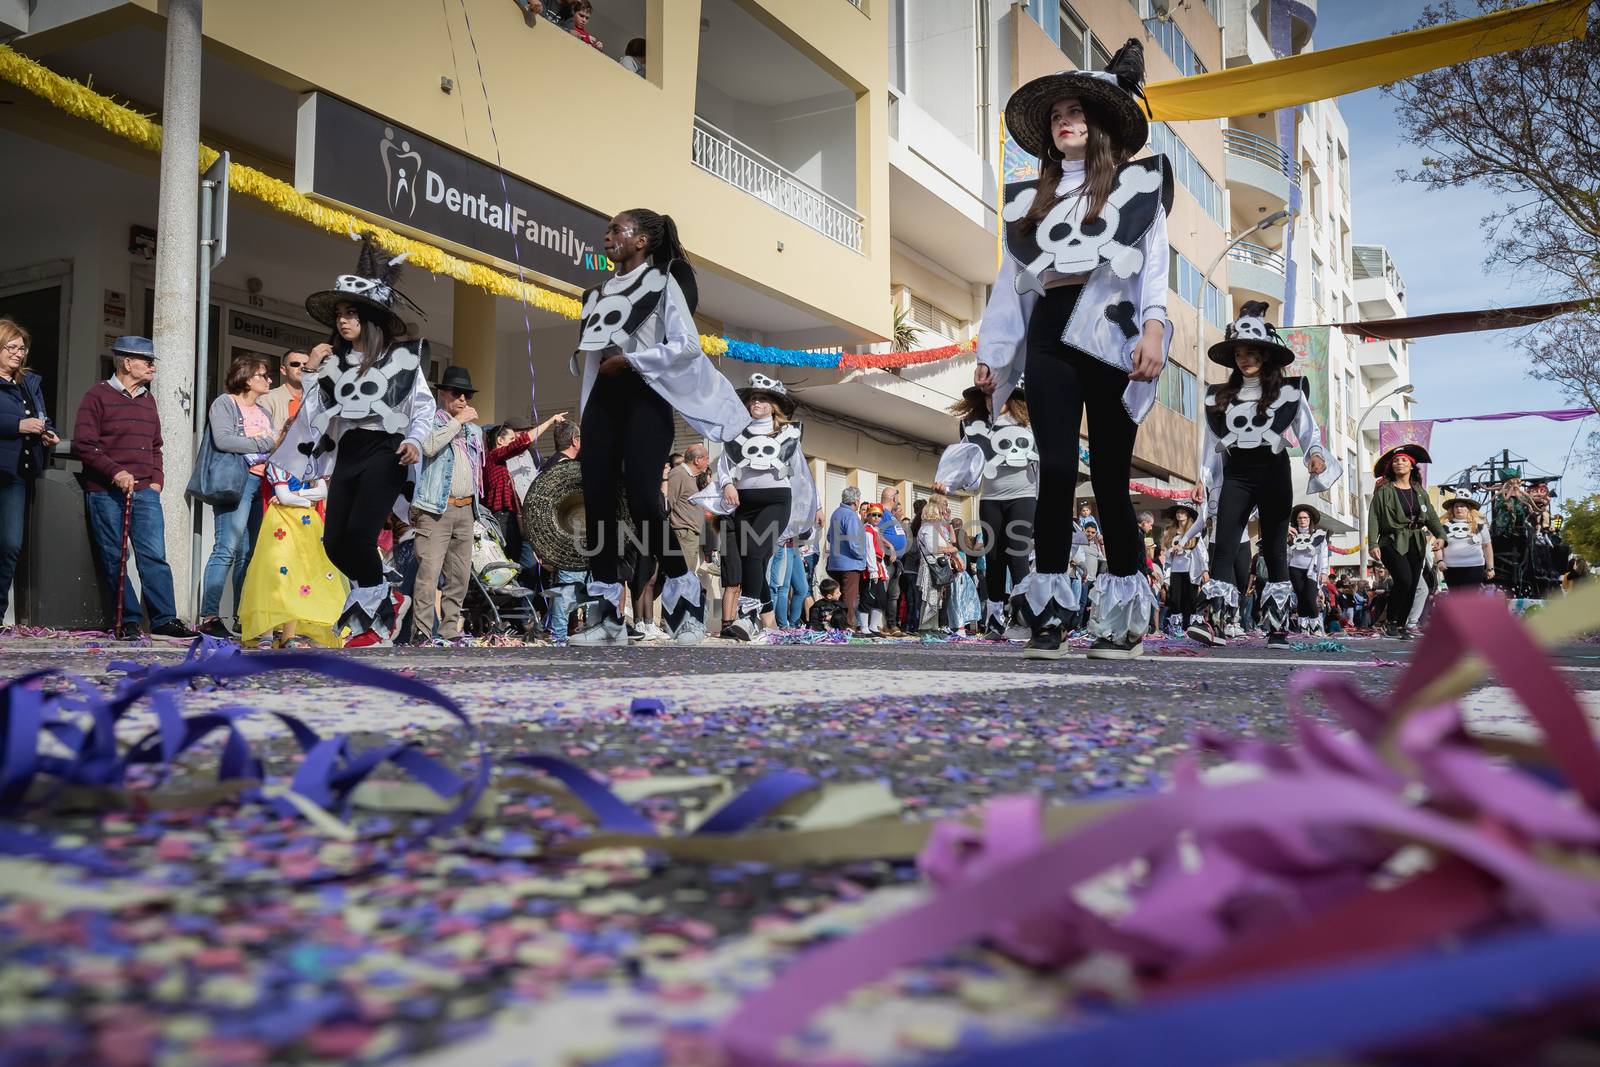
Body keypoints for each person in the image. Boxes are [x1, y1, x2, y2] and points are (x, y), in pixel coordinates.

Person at [977, 40, 1172, 661]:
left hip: (1112, 330)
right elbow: (1010, 289)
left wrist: (1155, 328)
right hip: (1050, 334)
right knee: (1057, 470)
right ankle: (1051, 617)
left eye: (1080, 112)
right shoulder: (1024, 204)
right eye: (1060, 113)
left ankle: (1123, 622)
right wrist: (996, 353)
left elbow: (1154, 270)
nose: (1067, 120)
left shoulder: (1139, 187)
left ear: (1103, 125)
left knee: (1111, 479)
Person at [568, 209, 748, 645]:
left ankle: (684, 594)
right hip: (602, 403)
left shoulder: (663, 284)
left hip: (645, 394)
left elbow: (686, 346)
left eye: (617, 230)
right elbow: (591, 360)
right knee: (598, 497)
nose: (607, 235)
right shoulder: (595, 294)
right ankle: (608, 608)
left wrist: (632, 359)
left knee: (644, 494)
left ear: (643, 241)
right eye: (608, 229)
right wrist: (588, 403)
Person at [281, 234, 435, 647]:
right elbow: (313, 417)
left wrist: (415, 443)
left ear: (369, 319)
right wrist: (312, 370)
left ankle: (371, 622)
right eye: (340, 314)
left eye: (352, 313)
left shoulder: (403, 362)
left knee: (362, 536)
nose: (343, 320)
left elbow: (423, 409)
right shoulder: (331, 363)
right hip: (349, 452)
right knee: (334, 541)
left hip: (386, 451)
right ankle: (385, 595)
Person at [1190, 303, 1339, 649]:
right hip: (1236, 474)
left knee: (1274, 549)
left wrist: (1315, 455)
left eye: (1252, 352)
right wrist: (1202, 478)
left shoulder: (1288, 393)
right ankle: (1212, 623)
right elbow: (1210, 444)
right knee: (1224, 543)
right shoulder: (1219, 397)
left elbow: (1308, 433)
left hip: (1273, 472)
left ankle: (1277, 629)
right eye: (1239, 353)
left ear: (1266, 356)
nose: (1245, 359)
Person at [72, 336, 195, 638]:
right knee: (115, 557)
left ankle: (164, 620)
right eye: (147, 361)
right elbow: (84, 446)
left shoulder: (147, 399)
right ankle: (127, 620)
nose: (153, 367)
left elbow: (156, 446)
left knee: (155, 556)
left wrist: (156, 481)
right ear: (127, 363)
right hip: (106, 492)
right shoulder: (96, 396)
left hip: (144, 491)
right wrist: (115, 472)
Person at [696, 374, 816, 641]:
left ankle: (747, 618)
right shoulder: (737, 432)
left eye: (762, 398)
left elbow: (800, 476)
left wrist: (809, 510)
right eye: (753, 398)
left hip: (776, 501)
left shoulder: (788, 433)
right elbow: (724, 465)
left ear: (773, 404)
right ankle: (769, 621)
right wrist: (727, 484)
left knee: (753, 553)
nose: (756, 402)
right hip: (744, 503)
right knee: (755, 562)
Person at [934, 385, 1037, 641]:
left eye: (998, 395)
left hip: (1023, 496)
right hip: (991, 498)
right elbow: (966, 464)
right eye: (988, 396)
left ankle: (1022, 617)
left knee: (1018, 555)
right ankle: (994, 618)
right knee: (993, 558)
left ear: (1012, 398)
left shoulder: (1028, 424)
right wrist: (946, 484)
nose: (992, 401)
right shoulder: (973, 426)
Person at [195, 355, 280, 639]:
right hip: (236, 483)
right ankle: (209, 616)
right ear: (247, 378)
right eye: (263, 375)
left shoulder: (264, 412)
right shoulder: (225, 403)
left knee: (249, 554)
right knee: (227, 548)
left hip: (261, 484)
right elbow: (224, 439)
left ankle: (243, 617)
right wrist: (265, 442)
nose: (268, 380)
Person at [409, 366, 484, 644]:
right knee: (428, 575)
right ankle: (422, 633)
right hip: (436, 510)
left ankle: (450, 630)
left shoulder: (473, 431)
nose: (463, 399)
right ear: (442, 395)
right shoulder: (430, 421)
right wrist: (457, 422)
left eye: (467, 394)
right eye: (456, 393)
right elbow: (427, 447)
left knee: (460, 576)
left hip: (466, 509)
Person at [237, 463, 346, 648]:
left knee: (299, 576)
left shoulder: (313, 462)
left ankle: (289, 635)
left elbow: (322, 493)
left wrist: (295, 496)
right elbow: (283, 495)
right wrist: (303, 500)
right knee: (276, 574)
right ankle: (267, 633)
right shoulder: (279, 463)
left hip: (306, 525)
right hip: (282, 523)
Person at [0, 319, 58, 623]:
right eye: (11, 346)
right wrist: (17, 426)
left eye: (22, 348)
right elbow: (17, 423)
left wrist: (47, 432)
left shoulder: (27, 385)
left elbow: (42, 418)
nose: (18, 353)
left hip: (17, 476)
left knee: (10, 545)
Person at [1367, 443, 1445, 639]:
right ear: (1391, 467)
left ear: (1412, 465)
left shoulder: (1419, 491)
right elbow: (1374, 516)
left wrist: (1442, 536)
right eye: (1395, 461)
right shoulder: (1384, 490)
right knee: (1404, 579)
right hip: (1392, 540)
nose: (1399, 463)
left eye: (1403, 460)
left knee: (1412, 585)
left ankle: (1401, 625)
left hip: (1416, 540)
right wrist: (1373, 544)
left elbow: (1432, 517)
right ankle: (1390, 620)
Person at [483, 411, 567, 579]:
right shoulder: (493, 457)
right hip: (502, 518)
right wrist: (550, 420)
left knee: (519, 566)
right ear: (500, 441)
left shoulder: (513, 460)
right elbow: (523, 442)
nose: (516, 444)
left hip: (513, 518)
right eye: (512, 439)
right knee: (507, 566)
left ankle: (519, 602)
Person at [916, 493, 963, 634]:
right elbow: (933, 548)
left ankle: (933, 626)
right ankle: (926, 627)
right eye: (940, 512)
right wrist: (952, 549)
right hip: (932, 566)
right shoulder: (928, 528)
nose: (943, 514)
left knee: (936, 597)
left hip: (935, 565)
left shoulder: (930, 528)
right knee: (930, 596)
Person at [825, 487, 869, 629]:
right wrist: (862, 555)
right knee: (849, 598)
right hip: (850, 564)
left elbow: (829, 537)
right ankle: (848, 625)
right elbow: (854, 542)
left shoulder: (836, 513)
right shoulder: (850, 516)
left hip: (835, 563)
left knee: (838, 597)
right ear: (856, 501)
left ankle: (837, 624)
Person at [1160, 501, 1205, 637]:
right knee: (1175, 600)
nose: (1179, 514)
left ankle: (1190, 627)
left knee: (1191, 599)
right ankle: (1176, 627)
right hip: (1175, 571)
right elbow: (1165, 555)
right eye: (1178, 512)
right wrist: (1171, 551)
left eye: (1183, 512)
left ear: (1188, 515)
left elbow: (1201, 552)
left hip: (1191, 571)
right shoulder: (1170, 531)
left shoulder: (1195, 533)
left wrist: (1205, 570)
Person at [1285, 504, 1330, 636]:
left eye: (1305, 518)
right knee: (1301, 598)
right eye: (1300, 518)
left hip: (1312, 570)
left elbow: (1324, 554)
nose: (1302, 520)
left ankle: (1315, 626)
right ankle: (1303, 626)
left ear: (1310, 520)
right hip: (1294, 569)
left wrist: (1324, 572)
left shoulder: (1319, 536)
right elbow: (1287, 555)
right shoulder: (1291, 535)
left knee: (1310, 598)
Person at [1438, 493, 1493, 592]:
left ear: (1468, 508)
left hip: (1474, 567)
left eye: (1462, 506)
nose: (1459, 509)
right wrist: (1439, 561)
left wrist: (1490, 568)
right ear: (1453, 509)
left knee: (1469, 598)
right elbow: (1438, 546)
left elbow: (1487, 546)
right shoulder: (1444, 526)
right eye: (1456, 506)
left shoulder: (1480, 525)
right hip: (1451, 568)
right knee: (1455, 598)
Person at [876, 487, 908, 634]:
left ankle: (892, 625)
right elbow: (875, 532)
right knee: (882, 593)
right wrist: (890, 547)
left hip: (896, 562)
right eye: (898, 498)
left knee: (894, 594)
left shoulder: (892, 515)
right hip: (886, 560)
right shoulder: (881, 512)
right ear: (894, 498)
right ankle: (879, 624)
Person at [260, 349, 311, 433]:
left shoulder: (317, 400)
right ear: (283, 370)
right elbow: (262, 437)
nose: (302, 367)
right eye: (295, 364)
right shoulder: (268, 398)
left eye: (306, 364)